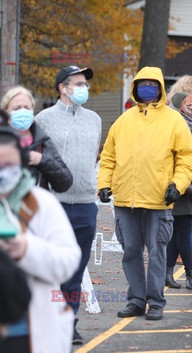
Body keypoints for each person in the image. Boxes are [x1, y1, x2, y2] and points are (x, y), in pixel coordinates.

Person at [98, 66, 192, 321]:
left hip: (158, 198)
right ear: (135, 88)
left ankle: (155, 302)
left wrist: (178, 184)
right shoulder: (124, 119)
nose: (147, 89)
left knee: (156, 252)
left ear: (161, 88)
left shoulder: (174, 120)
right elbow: (108, 157)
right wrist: (104, 184)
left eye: (152, 85)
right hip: (125, 200)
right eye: (142, 84)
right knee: (130, 251)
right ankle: (136, 300)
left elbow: (187, 158)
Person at [34, 65, 101, 345]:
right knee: (50, 269)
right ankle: (48, 320)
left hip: (86, 202)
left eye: (85, 84)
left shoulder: (95, 119)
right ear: (63, 87)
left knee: (76, 268)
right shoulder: (43, 119)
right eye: (79, 83)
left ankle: (69, 322)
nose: (84, 88)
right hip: (54, 204)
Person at [0, 126, 81, 353]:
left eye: (9, 165)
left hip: (32, 333)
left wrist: (26, 250)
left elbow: (68, 262)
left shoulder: (41, 203)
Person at [165, 92, 192, 290]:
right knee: (179, 232)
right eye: (188, 105)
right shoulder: (172, 124)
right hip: (176, 184)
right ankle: (189, 273)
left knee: (181, 231)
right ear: (177, 106)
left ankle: (170, 272)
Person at [1, 86, 72, 192]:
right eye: (17, 108)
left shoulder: (42, 141)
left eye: (27, 108)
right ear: (6, 112)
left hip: (34, 205)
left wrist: (42, 160)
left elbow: (65, 182)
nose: (22, 112)